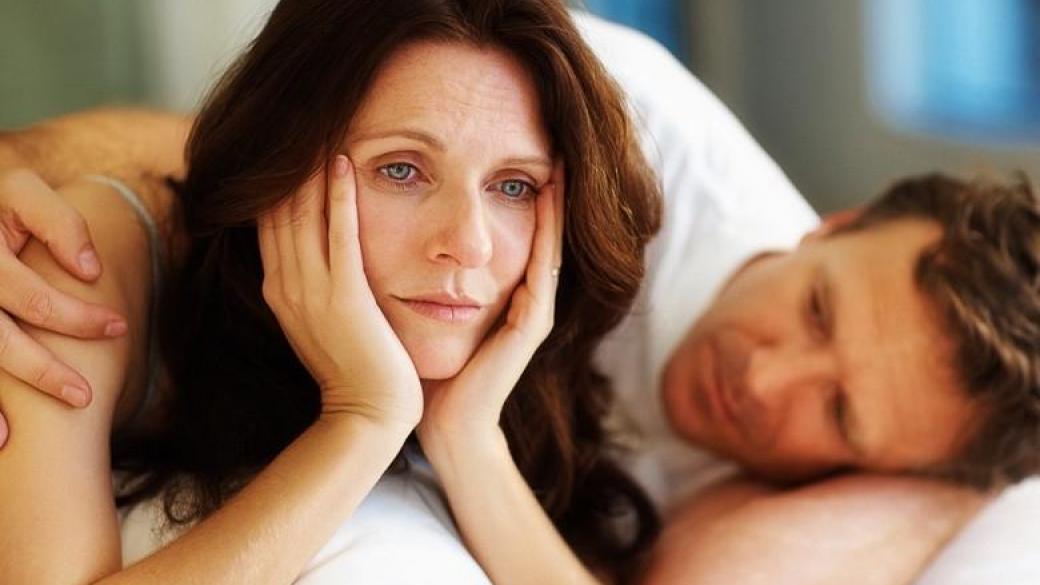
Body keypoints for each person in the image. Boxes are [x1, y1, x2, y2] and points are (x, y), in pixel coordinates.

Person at [2, 9, 1034, 585]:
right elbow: (194, 151)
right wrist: (18, 172)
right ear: (828, 227)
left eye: (513, 189)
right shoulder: (606, 112)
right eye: (816, 312)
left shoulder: (855, 477)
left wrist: (458, 437)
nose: (765, 380)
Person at [0, 1, 664, 583]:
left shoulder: (522, 350)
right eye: (400, 170)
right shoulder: (82, 264)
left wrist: (468, 440)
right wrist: (364, 418)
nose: (469, 244)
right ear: (282, 164)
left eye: (513, 185)